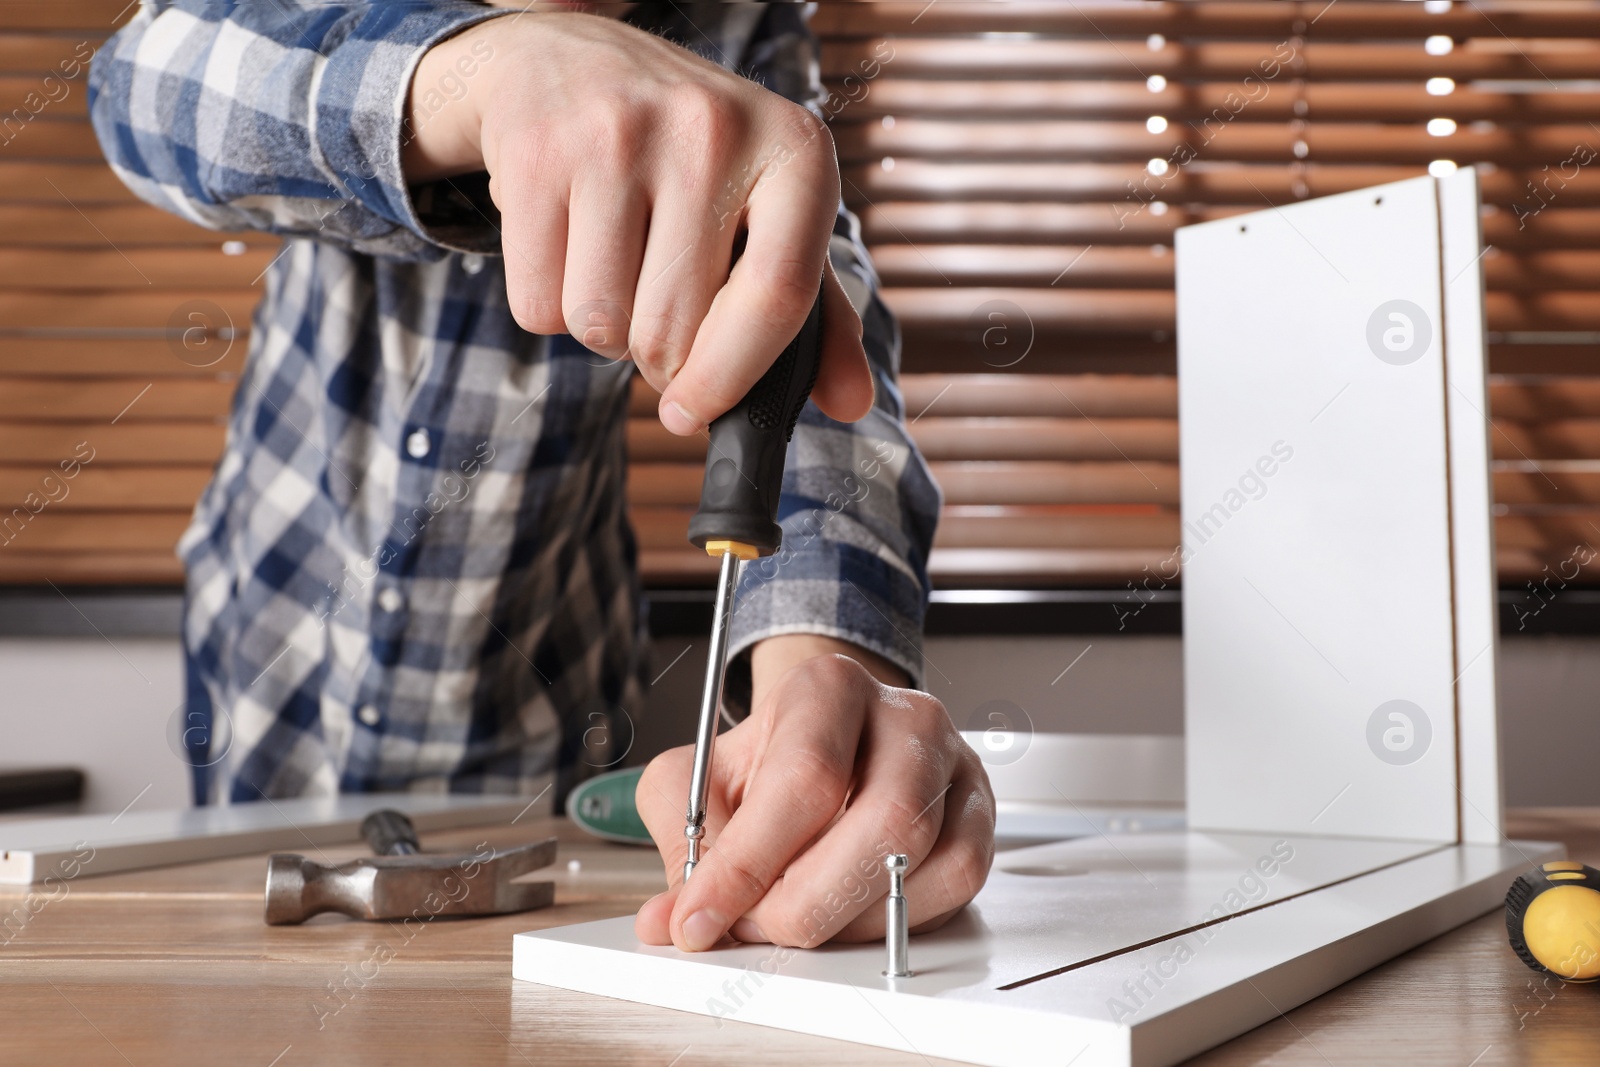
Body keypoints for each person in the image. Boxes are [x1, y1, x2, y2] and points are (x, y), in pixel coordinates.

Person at [89, 0, 993, 953]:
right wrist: (474, 78)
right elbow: (139, 88)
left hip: (540, 707)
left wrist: (820, 696)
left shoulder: (744, 28)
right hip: (270, 672)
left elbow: (809, 328)